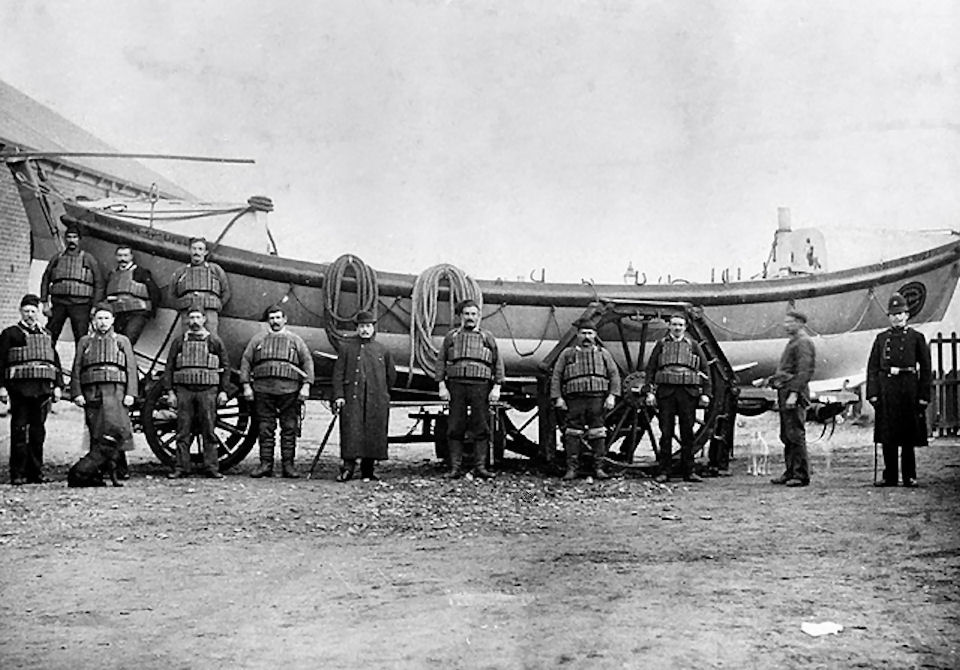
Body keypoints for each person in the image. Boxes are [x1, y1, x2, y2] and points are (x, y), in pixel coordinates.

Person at [866, 293, 932, 488]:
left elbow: (926, 369)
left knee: (908, 436)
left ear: (907, 315)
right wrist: (873, 394)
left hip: (909, 391)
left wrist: (923, 396)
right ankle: (890, 476)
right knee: (888, 436)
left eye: (900, 313)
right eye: (893, 314)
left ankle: (910, 476)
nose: (896, 317)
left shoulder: (916, 338)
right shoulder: (881, 339)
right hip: (888, 391)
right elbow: (872, 368)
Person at [240, 304, 313, 478]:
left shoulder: (295, 340)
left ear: (285, 319)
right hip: (263, 390)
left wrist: (307, 385)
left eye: (278, 317)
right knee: (265, 428)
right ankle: (266, 465)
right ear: (267, 321)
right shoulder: (258, 340)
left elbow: (307, 362)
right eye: (272, 318)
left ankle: (288, 466)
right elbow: (246, 361)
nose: (275, 321)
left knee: (289, 428)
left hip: (289, 391)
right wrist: (246, 385)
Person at [435, 299, 504, 479]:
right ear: (460, 316)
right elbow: (441, 361)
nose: (470, 317)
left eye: (473, 314)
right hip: (456, 385)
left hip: (480, 386)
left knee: (481, 425)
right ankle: (455, 468)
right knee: (455, 425)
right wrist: (442, 385)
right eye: (466, 314)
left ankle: (480, 467)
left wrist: (496, 387)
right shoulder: (452, 336)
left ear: (479, 316)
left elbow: (498, 363)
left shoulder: (487, 337)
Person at [0, 294, 64, 484]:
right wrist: (1, 387)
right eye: (26, 311)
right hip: (19, 390)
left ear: (38, 313)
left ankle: (35, 473)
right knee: (19, 430)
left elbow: (55, 361)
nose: (29, 315)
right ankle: (17, 473)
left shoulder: (46, 334)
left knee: (38, 432)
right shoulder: (9, 333)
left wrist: (58, 386)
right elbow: (0, 362)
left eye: (33, 311)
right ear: (20, 311)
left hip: (42, 390)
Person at [71, 302, 138, 480]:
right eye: (99, 318)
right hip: (92, 390)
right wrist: (77, 392)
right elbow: (77, 367)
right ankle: (97, 468)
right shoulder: (85, 342)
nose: (103, 322)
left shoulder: (122, 341)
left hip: (116, 391)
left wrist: (131, 393)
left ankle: (120, 469)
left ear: (113, 320)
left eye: (106, 318)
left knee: (117, 428)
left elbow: (131, 368)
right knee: (96, 429)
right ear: (93, 321)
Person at [162, 305, 230, 479]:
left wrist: (223, 391)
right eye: (191, 318)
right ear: (187, 320)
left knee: (209, 429)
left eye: (198, 318)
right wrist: (170, 392)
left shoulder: (214, 341)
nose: (194, 321)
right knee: (182, 430)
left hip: (207, 391)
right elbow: (169, 367)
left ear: (204, 319)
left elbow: (225, 367)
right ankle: (181, 467)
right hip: (184, 390)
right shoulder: (179, 341)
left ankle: (212, 467)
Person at [644, 313, 712, 483]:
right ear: (669, 326)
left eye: (680, 325)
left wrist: (705, 393)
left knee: (687, 433)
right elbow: (651, 370)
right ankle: (664, 471)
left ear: (685, 327)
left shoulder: (693, 345)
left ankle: (689, 471)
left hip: (687, 394)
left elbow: (705, 370)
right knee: (666, 433)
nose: (677, 328)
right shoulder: (661, 345)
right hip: (666, 393)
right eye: (674, 324)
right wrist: (650, 392)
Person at [550, 317, 621, 480]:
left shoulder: (604, 354)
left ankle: (599, 468)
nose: (586, 337)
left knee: (598, 432)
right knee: (572, 432)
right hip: (574, 399)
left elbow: (614, 374)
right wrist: (558, 398)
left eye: (590, 333)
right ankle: (572, 469)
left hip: (597, 398)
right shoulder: (567, 354)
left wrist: (612, 395)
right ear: (578, 335)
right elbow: (557, 376)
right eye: (583, 333)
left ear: (595, 335)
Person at [332, 311, 397, 482]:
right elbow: (338, 374)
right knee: (351, 432)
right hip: (353, 398)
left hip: (375, 399)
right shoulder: (347, 348)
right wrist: (339, 395)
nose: (365, 330)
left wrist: (381, 392)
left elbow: (391, 375)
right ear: (357, 328)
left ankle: (368, 469)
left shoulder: (382, 350)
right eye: (362, 326)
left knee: (373, 432)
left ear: (373, 328)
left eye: (368, 326)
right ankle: (348, 469)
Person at [754, 310, 816, 487]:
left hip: (793, 394)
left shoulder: (803, 342)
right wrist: (768, 381)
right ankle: (790, 471)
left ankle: (801, 475)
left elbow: (805, 371)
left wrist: (794, 394)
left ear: (799, 323)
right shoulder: (795, 341)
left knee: (795, 434)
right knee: (787, 435)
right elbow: (786, 371)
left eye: (789, 322)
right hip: (786, 392)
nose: (785, 325)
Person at [40, 220, 105, 347]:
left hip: (81, 305)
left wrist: (95, 306)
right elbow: (46, 279)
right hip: (59, 303)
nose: (71, 240)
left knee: (81, 339)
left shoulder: (89, 259)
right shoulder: (57, 258)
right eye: (69, 237)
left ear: (79, 239)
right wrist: (44, 303)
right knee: (50, 336)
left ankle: (79, 366)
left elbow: (99, 283)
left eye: (75, 237)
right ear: (65, 239)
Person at [169, 237, 230, 335]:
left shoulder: (215, 270)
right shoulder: (181, 272)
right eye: (194, 249)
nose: (196, 252)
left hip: (210, 312)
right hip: (188, 312)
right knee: (188, 340)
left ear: (205, 252)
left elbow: (226, 292)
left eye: (200, 249)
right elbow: (172, 294)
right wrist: (183, 305)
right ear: (190, 251)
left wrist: (215, 304)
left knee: (211, 340)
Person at [104, 245, 161, 345]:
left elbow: (154, 292)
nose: (122, 259)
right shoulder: (113, 274)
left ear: (131, 257)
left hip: (137, 313)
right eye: (120, 255)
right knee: (114, 341)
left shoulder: (141, 272)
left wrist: (151, 312)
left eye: (126, 255)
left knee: (128, 340)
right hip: (119, 313)